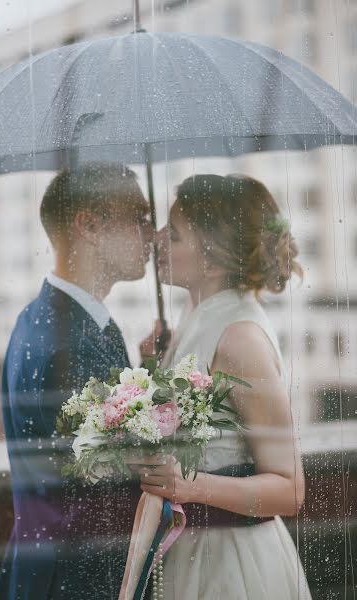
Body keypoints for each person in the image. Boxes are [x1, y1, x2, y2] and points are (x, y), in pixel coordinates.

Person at [132, 174, 312, 599]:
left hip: (230, 565)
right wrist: (153, 370)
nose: (156, 238)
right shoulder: (196, 311)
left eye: (172, 235)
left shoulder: (241, 339)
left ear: (211, 260)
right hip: (187, 549)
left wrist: (190, 486)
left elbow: (290, 489)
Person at [0, 163, 153, 600]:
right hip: (75, 581)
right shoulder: (68, 346)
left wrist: (152, 373)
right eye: (140, 218)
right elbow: (112, 483)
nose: (152, 234)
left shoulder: (50, 318)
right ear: (90, 226)